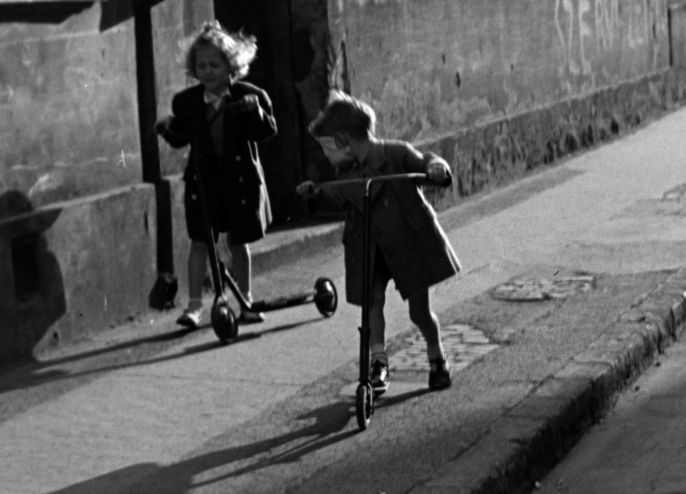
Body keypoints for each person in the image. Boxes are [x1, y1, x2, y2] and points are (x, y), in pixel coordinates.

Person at [299, 92, 460, 393]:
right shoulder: (346, 172)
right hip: (369, 249)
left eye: (326, 147)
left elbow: (425, 161)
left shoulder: (395, 154)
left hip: (406, 244)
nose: (325, 155)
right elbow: (336, 194)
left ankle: (437, 356)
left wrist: (437, 168)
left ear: (342, 139)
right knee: (372, 303)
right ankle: (379, 361)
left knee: (419, 312)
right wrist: (316, 193)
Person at [156, 22, 276, 330]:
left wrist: (256, 113)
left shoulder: (250, 95)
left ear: (231, 65)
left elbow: (267, 131)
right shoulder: (187, 102)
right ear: (193, 68)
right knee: (200, 241)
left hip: (239, 180)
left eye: (215, 64)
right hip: (204, 182)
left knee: (239, 242)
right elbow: (181, 136)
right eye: (201, 65)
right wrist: (166, 128)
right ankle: (194, 305)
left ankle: (245, 301)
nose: (207, 71)